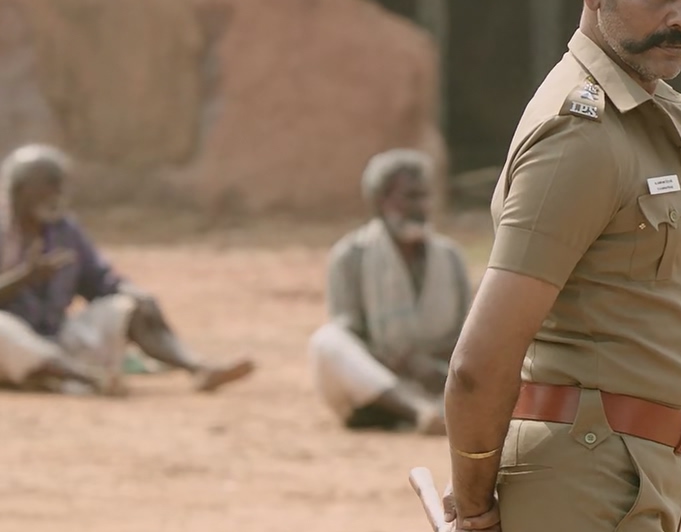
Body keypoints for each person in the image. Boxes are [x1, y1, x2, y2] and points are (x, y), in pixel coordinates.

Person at [429, 0, 681, 532]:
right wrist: (472, 509)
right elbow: (479, 364)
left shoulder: (648, 109)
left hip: (627, 472)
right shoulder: (579, 133)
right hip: (588, 475)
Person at [0, 144, 254, 396]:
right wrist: (23, 278)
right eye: (50, 184)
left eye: (60, 184)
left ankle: (199, 368)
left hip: (56, 336)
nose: (58, 192)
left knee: (127, 306)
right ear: (20, 188)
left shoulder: (64, 231)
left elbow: (98, 281)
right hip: (10, 345)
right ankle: (88, 379)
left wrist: (131, 293)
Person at [309, 149, 469, 434]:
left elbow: (467, 335)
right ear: (381, 200)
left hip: (438, 383)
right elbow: (350, 335)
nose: (421, 206)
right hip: (369, 392)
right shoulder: (351, 255)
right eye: (410, 197)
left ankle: (434, 412)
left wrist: (427, 365)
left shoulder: (450, 256)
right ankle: (418, 413)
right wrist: (402, 364)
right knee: (326, 341)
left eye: (425, 196)